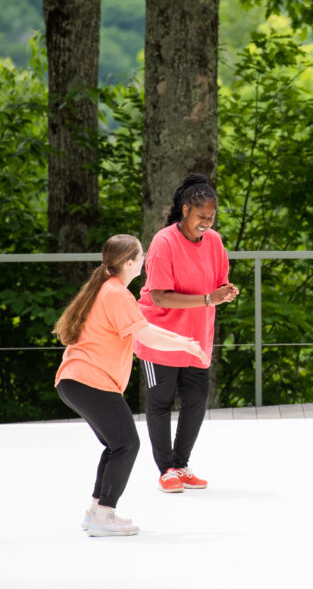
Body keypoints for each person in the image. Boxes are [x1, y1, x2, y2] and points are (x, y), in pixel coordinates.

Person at [54, 234, 210, 537]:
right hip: (89, 380)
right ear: (129, 262)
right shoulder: (116, 294)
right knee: (127, 444)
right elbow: (147, 337)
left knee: (116, 446)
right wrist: (188, 347)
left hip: (77, 380)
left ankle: (97, 511)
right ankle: (104, 516)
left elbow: (143, 328)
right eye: (141, 255)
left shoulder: (109, 290)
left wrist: (183, 342)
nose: (145, 260)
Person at [135, 174, 239, 493]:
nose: (206, 223)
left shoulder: (216, 242)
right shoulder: (164, 242)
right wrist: (208, 299)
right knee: (161, 402)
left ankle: (180, 464)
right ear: (184, 211)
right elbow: (160, 296)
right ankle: (166, 468)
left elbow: (218, 282)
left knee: (195, 401)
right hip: (161, 337)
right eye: (201, 217)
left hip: (197, 340)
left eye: (211, 217)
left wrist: (226, 291)